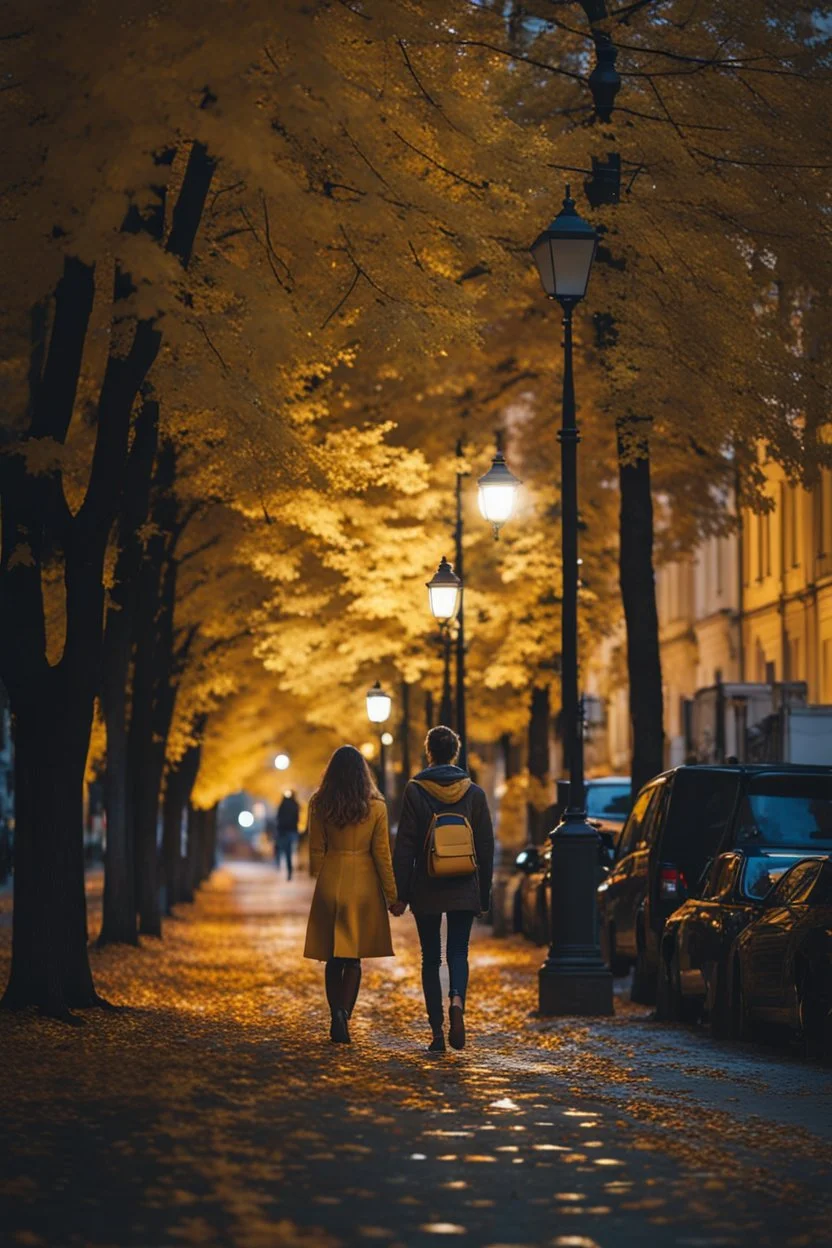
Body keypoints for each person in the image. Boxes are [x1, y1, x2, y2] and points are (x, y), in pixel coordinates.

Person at [393, 725, 494, 1054]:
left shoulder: (415, 791)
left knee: (431, 958)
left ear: (429, 752)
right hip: (464, 883)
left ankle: (437, 1032)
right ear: (455, 753)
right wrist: (483, 895)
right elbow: (486, 847)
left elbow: (405, 844)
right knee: (458, 954)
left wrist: (401, 892)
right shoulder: (474, 794)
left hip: (427, 884)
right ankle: (457, 1004)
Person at [304, 746, 404, 1044]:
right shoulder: (376, 806)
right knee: (354, 958)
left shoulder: (319, 804)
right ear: (363, 773)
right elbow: (382, 854)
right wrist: (392, 895)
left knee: (334, 957)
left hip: (331, 880)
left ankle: (334, 1011)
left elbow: (315, 849)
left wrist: (320, 875)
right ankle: (345, 1015)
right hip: (363, 884)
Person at [274, 790, 300, 880]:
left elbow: (278, 817)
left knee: (283, 850)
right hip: (291, 831)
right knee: (289, 851)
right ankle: (289, 869)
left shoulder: (282, 804)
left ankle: (282, 865)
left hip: (284, 831)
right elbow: (297, 817)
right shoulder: (295, 804)